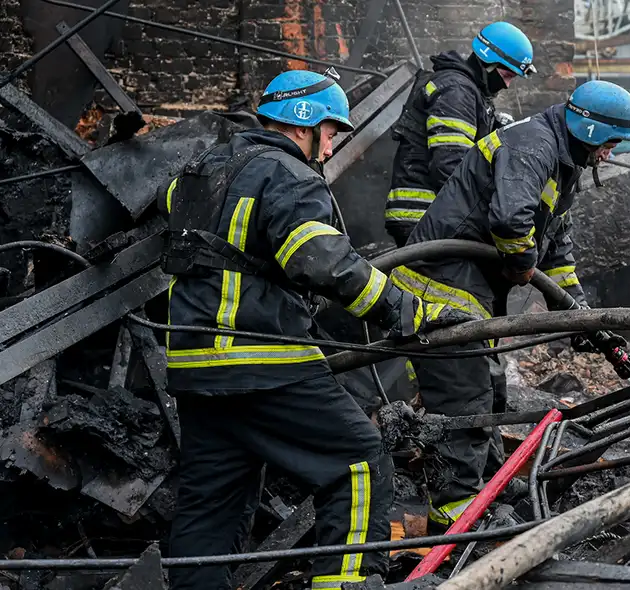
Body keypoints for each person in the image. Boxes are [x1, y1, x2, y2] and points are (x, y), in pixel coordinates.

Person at [158, 69, 451, 590]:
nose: (331, 143)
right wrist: (406, 310)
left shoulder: (198, 171)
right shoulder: (286, 174)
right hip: (261, 360)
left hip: (192, 367)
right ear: (305, 124)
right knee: (358, 463)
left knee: (210, 508)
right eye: (332, 131)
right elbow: (320, 260)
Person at [392, 79, 630, 527]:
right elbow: (511, 221)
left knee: (490, 388)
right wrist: (522, 264)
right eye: (609, 142)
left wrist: (581, 317)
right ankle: (455, 511)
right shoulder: (533, 146)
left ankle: (488, 490)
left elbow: (558, 252)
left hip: (472, 291)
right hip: (439, 284)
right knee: (464, 394)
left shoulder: (562, 162)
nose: (609, 153)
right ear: (589, 131)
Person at [384, 21, 535, 248]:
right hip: (425, 214)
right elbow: (451, 165)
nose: (506, 85)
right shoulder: (456, 92)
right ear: (488, 64)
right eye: (506, 74)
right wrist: (488, 213)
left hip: (433, 213)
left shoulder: (467, 91)